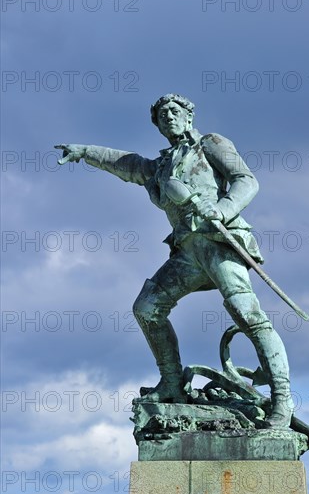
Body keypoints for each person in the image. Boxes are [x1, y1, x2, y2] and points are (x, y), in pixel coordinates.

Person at [55, 93, 294, 429]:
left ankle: (283, 399)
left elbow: (247, 180)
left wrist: (223, 210)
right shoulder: (160, 166)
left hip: (218, 242)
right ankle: (171, 381)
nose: (168, 115)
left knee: (246, 313)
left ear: (188, 115)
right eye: (162, 114)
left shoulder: (210, 144)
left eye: (174, 110)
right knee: (147, 307)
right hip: (187, 252)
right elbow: (127, 163)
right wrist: (84, 152)